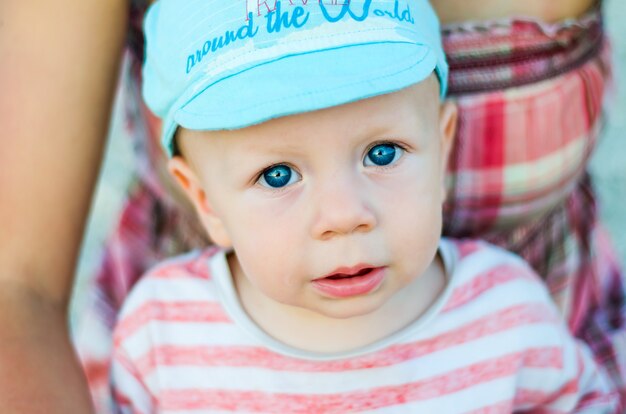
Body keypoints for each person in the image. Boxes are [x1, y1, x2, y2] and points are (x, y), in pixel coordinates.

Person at [0, 0, 622, 413]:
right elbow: (15, 287)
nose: (343, 215)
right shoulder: (163, 336)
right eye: (277, 174)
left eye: (382, 153)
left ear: (444, 144)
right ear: (204, 201)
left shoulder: (509, 318)